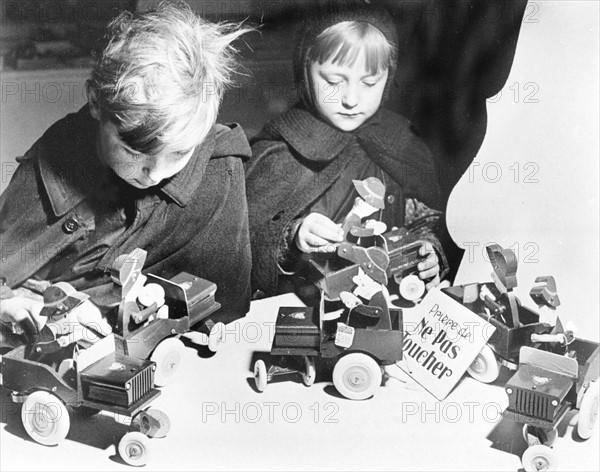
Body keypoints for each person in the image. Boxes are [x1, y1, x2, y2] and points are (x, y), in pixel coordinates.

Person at [0, 1, 252, 339]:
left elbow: (228, 305)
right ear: (95, 103)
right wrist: (12, 302)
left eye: (179, 153)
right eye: (135, 150)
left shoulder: (219, 169)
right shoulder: (59, 150)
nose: (154, 173)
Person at [246, 1, 448, 300]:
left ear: (388, 78)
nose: (351, 99)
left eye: (369, 83)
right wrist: (293, 235)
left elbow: (423, 218)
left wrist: (427, 248)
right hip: (304, 308)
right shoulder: (278, 150)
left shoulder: (401, 142)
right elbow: (244, 242)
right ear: (305, 72)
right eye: (332, 82)